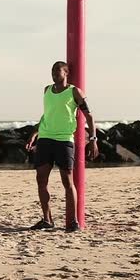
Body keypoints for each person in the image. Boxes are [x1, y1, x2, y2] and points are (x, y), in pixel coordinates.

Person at [25, 61, 99, 232]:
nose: (54, 73)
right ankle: (47, 219)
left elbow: (89, 115)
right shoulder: (47, 90)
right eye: (52, 70)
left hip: (64, 140)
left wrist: (93, 139)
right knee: (41, 180)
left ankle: (73, 221)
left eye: (57, 70)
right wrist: (34, 135)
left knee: (67, 181)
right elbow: (47, 115)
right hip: (45, 139)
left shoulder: (74, 91)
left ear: (66, 73)